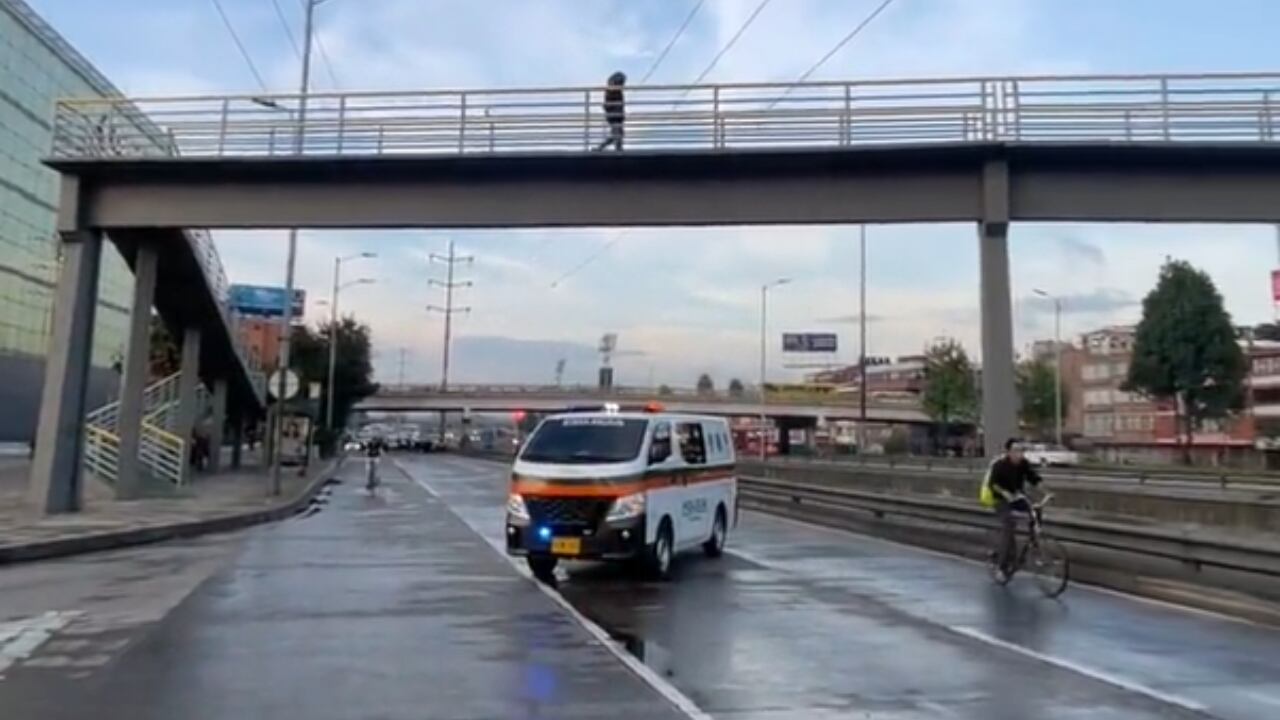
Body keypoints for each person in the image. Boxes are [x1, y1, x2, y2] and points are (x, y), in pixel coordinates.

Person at [988, 438, 1044, 581]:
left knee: (1036, 511)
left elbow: (1033, 478)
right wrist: (1005, 493)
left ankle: (1034, 546)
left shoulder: (1023, 464)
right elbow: (993, 484)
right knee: (1009, 526)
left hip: (1017, 497)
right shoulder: (1000, 465)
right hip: (1001, 500)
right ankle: (1001, 566)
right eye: (1016, 451)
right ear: (1008, 452)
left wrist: (1046, 491)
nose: (1019, 454)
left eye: (1021, 451)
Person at [594, 71, 626, 151]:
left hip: (617, 115)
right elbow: (607, 105)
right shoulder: (611, 90)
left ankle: (601, 147)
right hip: (614, 116)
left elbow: (618, 104)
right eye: (621, 82)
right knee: (617, 134)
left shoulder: (617, 91)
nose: (622, 84)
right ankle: (618, 150)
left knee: (618, 134)